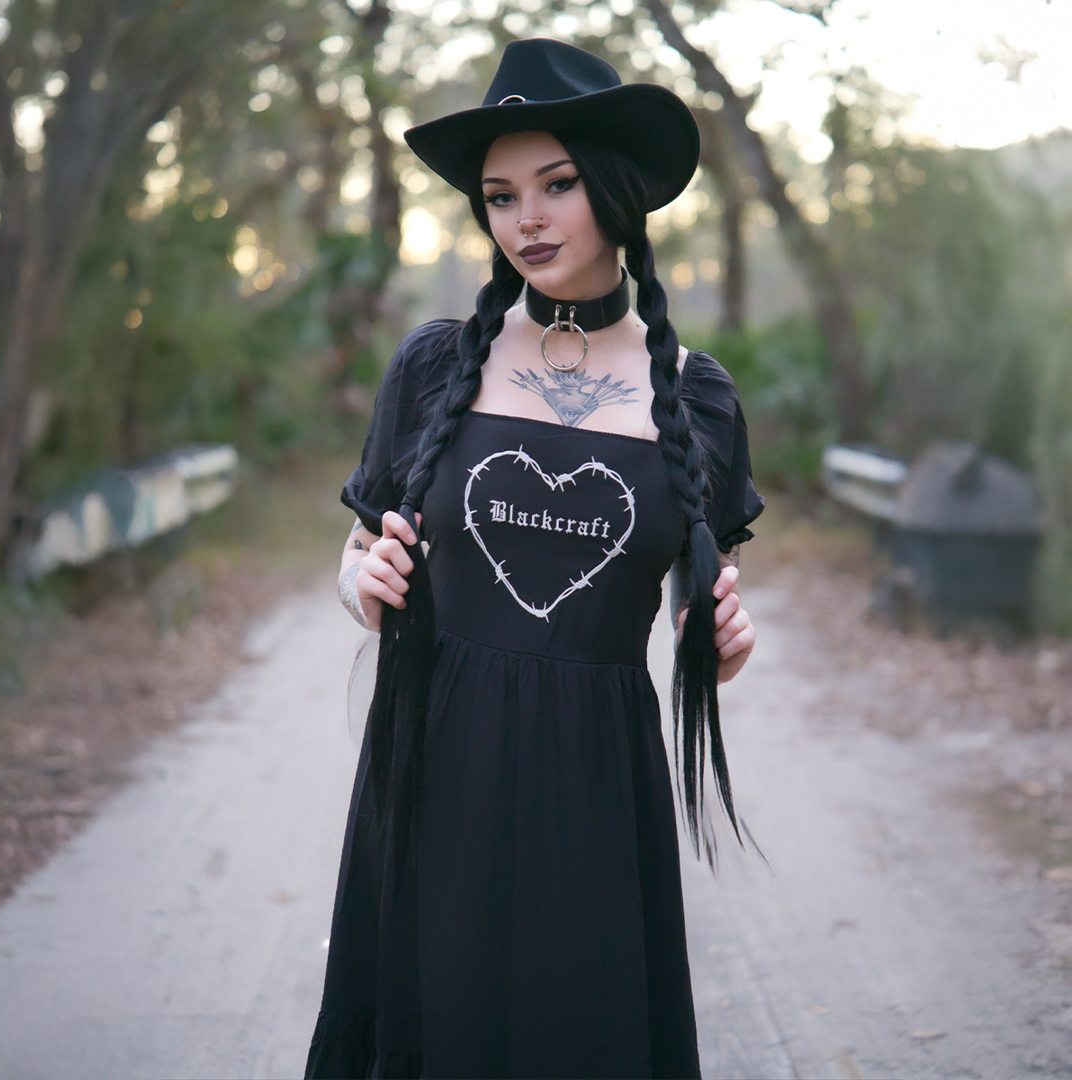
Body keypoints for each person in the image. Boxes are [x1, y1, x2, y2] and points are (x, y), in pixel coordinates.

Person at [305, 38, 764, 1080]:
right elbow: (359, 553)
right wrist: (360, 584)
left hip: (597, 778)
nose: (528, 218)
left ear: (614, 188)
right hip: (435, 763)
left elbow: (707, 606)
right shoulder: (434, 365)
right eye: (501, 195)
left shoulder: (695, 398)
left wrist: (723, 642)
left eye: (556, 185)